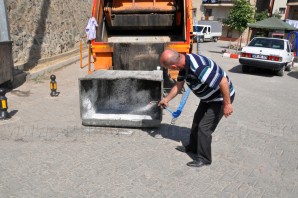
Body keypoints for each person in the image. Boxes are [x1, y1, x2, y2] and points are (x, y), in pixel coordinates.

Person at [158, 49, 235, 168]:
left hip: (220, 99)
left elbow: (223, 81)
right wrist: (166, 99)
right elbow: (178, 86)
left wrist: (227, 104)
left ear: (174, 65)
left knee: (204, 127)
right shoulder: (183, 66)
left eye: (169, 67)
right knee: (196, 121)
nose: (170, 69)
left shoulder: (198, 68)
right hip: (207, 98)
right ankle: (193, 148)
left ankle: (204, 158)